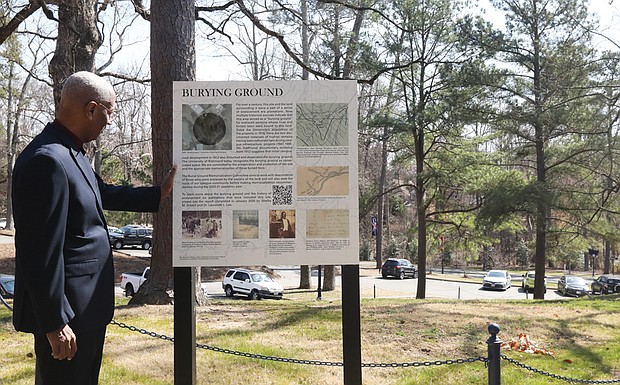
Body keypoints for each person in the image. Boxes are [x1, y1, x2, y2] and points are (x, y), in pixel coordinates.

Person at [11, 71, 176, 385]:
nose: (110, 122)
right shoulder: (47, 160)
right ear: (90, 109)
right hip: (68, 317)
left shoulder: (69, 151)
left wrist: (158, 194)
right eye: (109, 112)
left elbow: (99, 193)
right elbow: (39, 253)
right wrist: (55, 323)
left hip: (84, 312)